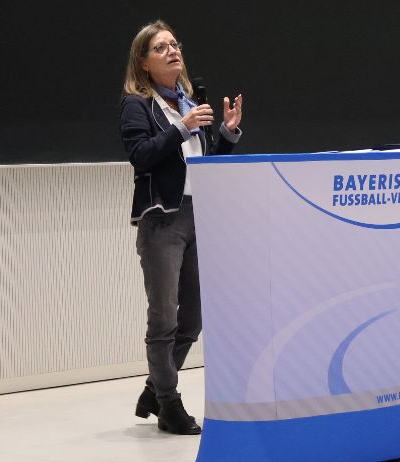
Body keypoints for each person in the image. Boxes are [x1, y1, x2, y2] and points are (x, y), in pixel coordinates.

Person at [119, 20, 243, 435]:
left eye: (175, 44)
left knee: (193, 318)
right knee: (164, 320)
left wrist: (226, 133)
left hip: (198, 216)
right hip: (162, 220)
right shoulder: (138, 105)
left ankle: (155, 390)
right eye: (161, 47)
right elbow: (141, 155)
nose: (172, 51)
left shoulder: (189, 103)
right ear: (144, 62)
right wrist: (181, 128)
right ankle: (169, 405)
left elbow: (206, 166)